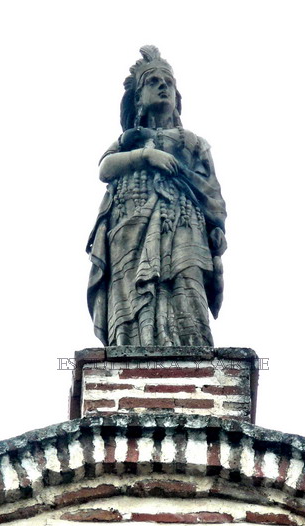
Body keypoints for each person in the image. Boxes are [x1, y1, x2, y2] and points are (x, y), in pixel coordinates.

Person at [87, 46, 227, 346]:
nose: (164, 85)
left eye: (169, 82)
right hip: (129, 224)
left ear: (177, 97)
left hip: (184, 220)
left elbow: (210, 190)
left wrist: (217, 228)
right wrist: (146, 156)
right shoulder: (129, 140)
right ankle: (132, 353)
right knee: (134, 292)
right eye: (153, 81)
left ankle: (192, 354)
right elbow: (105, 168)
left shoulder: (193, 142)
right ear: (138, 98)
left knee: (186, 283)